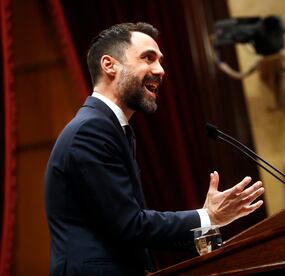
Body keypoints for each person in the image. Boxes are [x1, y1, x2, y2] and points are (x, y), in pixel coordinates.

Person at [44, 22, 264, 276]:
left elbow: (128, 231)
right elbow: (131, 226)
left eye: (160, 61)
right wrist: (207, 216)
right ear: (109, 65)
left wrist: (206, 225)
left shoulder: (113, 128)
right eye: (148, 58)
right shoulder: (91, 131)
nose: (160, 70)